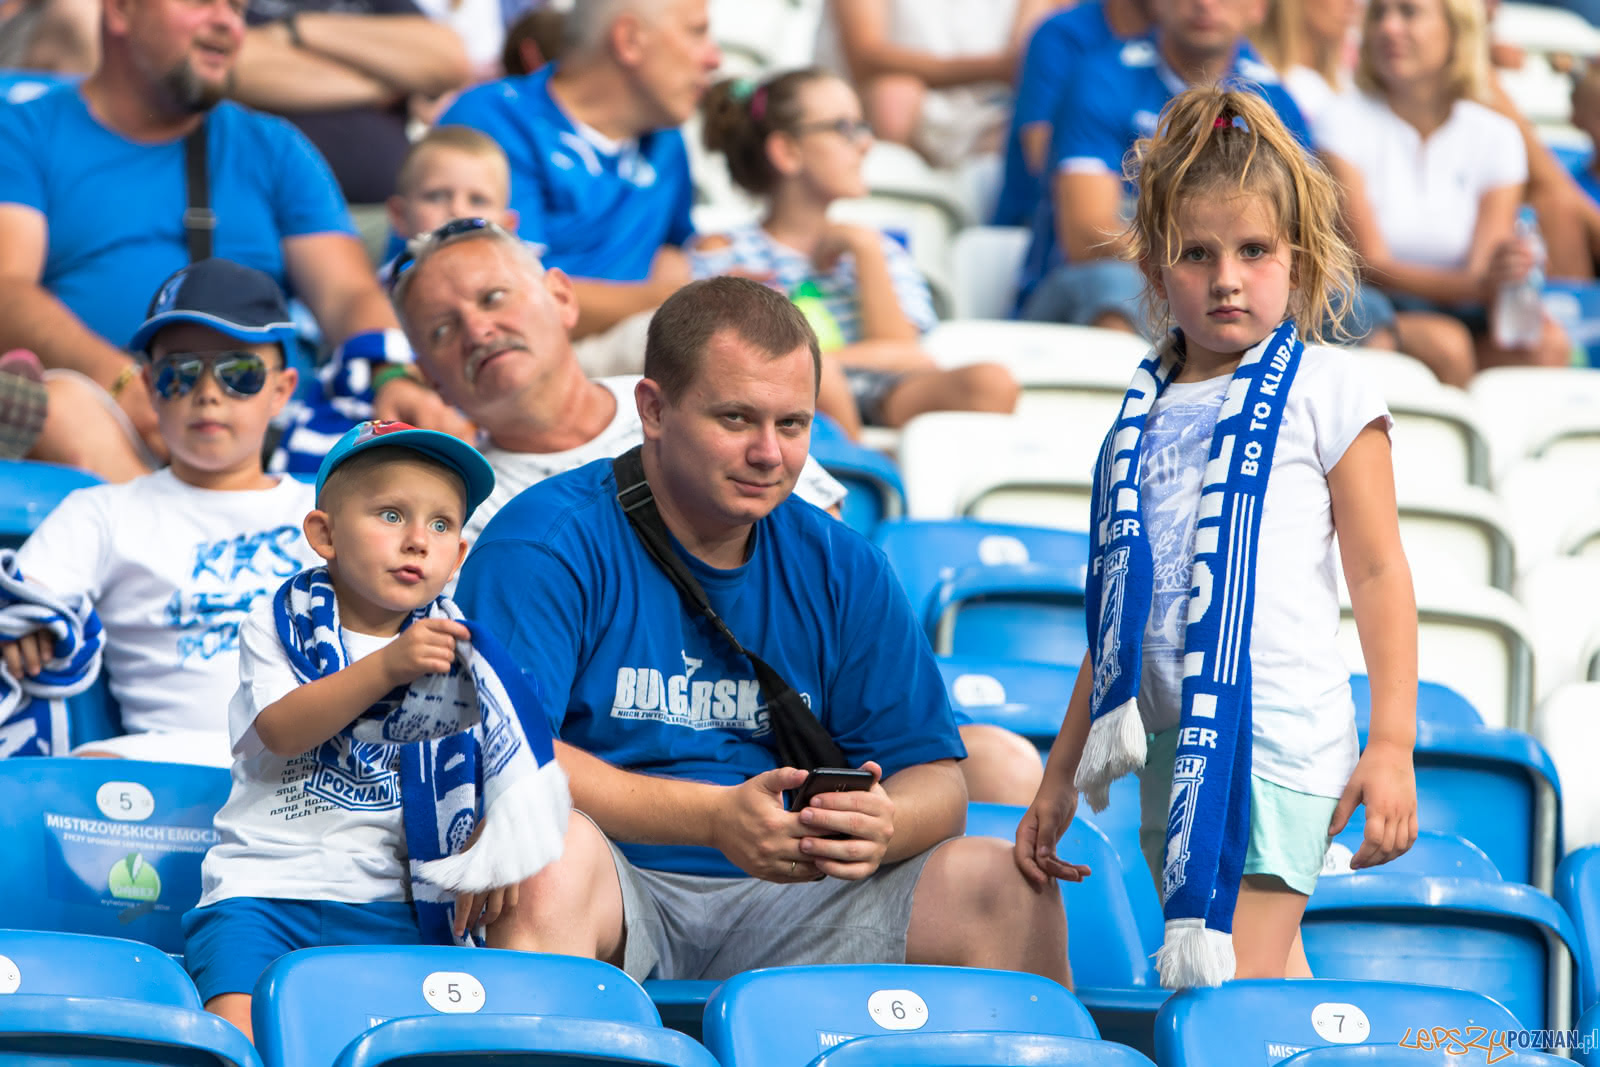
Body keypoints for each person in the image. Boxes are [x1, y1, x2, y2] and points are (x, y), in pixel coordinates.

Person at [452, 277, 1073, 986]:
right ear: (653, 409)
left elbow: (938, 781)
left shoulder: (844, 563)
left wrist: (884, 824)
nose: (769, 454)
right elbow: (509, 755)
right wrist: (713, 818)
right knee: (541, 853)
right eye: (737, 419)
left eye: (792, 424)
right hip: (619, 883)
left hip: (802, 891)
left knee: (1003, 887)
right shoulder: (544, 539)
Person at [391, 218, 1044, 806]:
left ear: (562, 297)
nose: (478, 330)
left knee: (1000, 767)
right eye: (443, 329)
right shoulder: (450, 508)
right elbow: (501, 735)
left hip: (789, 747)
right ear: (425, 370)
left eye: (493, 297)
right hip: (621, 771)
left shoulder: (722, 386)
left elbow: (826, 593)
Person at [1017, 87, 1418, 989]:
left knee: (1228, 997)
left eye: (1253, 250)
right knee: (1265, 994)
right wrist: (1058, 775)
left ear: (1299, 261)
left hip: (1274, 739)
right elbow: (1121, 624)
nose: (1226, 276)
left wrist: (1391, 741)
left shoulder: (1329, 386)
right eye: (1196, 254)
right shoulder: (1141, 416)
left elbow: (1382, 570)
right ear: (1157, 274)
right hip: (1174, 746)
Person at [184, 420, 559, 1042]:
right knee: (237, 1038)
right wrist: (389, 665)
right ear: (323, 534)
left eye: (441, 526)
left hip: (396, 908)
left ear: (459, 556)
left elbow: (509, 763)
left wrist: (500, 833)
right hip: (263, 894)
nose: (418, 540)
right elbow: (281, 729)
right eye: (391, 514)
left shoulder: (466, 652)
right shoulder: (277, 624)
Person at [0, 0, 463, 483]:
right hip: (116, 425)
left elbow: (347, 294)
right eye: (203, 3)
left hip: (271, 431)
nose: (227, 22)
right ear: (120, 11)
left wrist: (390, 374)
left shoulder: (272, 146)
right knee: (60, 409)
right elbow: (7, 291)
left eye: (238, 9)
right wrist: (124, 384)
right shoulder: (23, 134)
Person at [1, 259, 320, 766]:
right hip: (160, 763)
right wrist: (27, 623)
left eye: (239, 373)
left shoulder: (327, 507)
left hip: (317, 764)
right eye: (180, 374)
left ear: (282, 390)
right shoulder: (102, 512)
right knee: (82, 774)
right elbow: (23, 601)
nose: (208, 392)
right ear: (149, 388)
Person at [693, 70, 1021, 437]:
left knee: (992, 382)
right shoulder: (725, 251)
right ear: (787, 151)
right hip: (771, 404)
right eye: (844, 128)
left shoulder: (877, 249)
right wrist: (821, 371)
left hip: (879, 396)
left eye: (863, 127)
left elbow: (909, 357)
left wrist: (865, 251)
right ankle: (862, 470)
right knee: (824, 380)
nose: (866, 144)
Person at [435, 0, 721, 375]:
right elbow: (508, 299)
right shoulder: (492, 120)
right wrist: (686, 296)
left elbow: (675, 244)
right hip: (515, 365)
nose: (714, 58)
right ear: (629, 40)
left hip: (626, 361)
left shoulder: (666, 138)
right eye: (697, 31)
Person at [1317, 0, 1571, 371]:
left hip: (1465, 307)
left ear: (1456, 30)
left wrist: (1509, 270)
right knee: (1446, 345)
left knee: (1549, 344)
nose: (1388, 28)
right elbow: (1369, 264)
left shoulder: (1496, 134)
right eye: (1379, 14)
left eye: (1408, 12)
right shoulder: (1341, 118)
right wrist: (1486, 284)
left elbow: (1482, 268)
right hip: (1372, 307)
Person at [230, 0, 471, 204]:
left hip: (387, 210)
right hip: (262, 200)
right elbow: (230, 66)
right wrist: (388, 78)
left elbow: (447, 59)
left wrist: (297, 30)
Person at [816, 0, 1060, 170]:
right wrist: (998, 68)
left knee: (1045, 123)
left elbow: (1030, 52)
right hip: (898, 113)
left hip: (994, 116)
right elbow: (865, 56)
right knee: (892, 97)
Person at [992, 0, 1152, 226]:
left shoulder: (1202, 50)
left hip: (1163, 227)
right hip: (1046, 227)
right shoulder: (1064, 37)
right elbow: (1044, 162)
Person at [383, 126, 521, 281]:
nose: (457, 210)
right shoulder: (382, 296)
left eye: (477, 200)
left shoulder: (523, 285)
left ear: (508, 226)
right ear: (400, 215)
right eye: (436, 197)